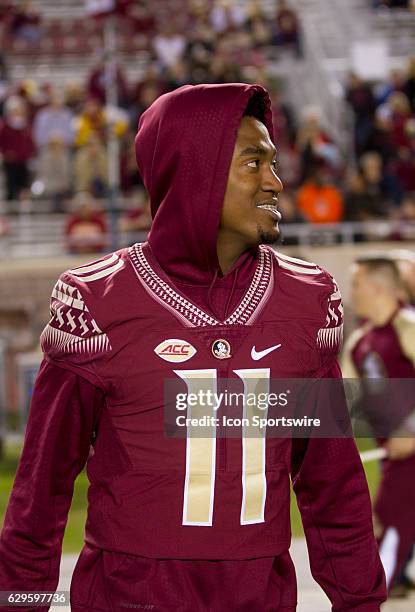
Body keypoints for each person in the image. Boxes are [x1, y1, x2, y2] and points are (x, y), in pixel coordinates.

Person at [0, 83, 386, 611]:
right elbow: (39, 497)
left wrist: (361, 603)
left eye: (273, 163)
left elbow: (332, 487)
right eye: (254, 162)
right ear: (195, 169)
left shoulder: (304, 300)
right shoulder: (98, 301)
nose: (275, 182)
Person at [342, 256, 415, 597]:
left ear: (376, 287)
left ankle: (370, 597)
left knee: (386, 522)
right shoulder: (360, 342)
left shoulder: (408, 326)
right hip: (393, 456)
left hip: (409, 456)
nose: (351, 292)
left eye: (356, 284)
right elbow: (342, 400)